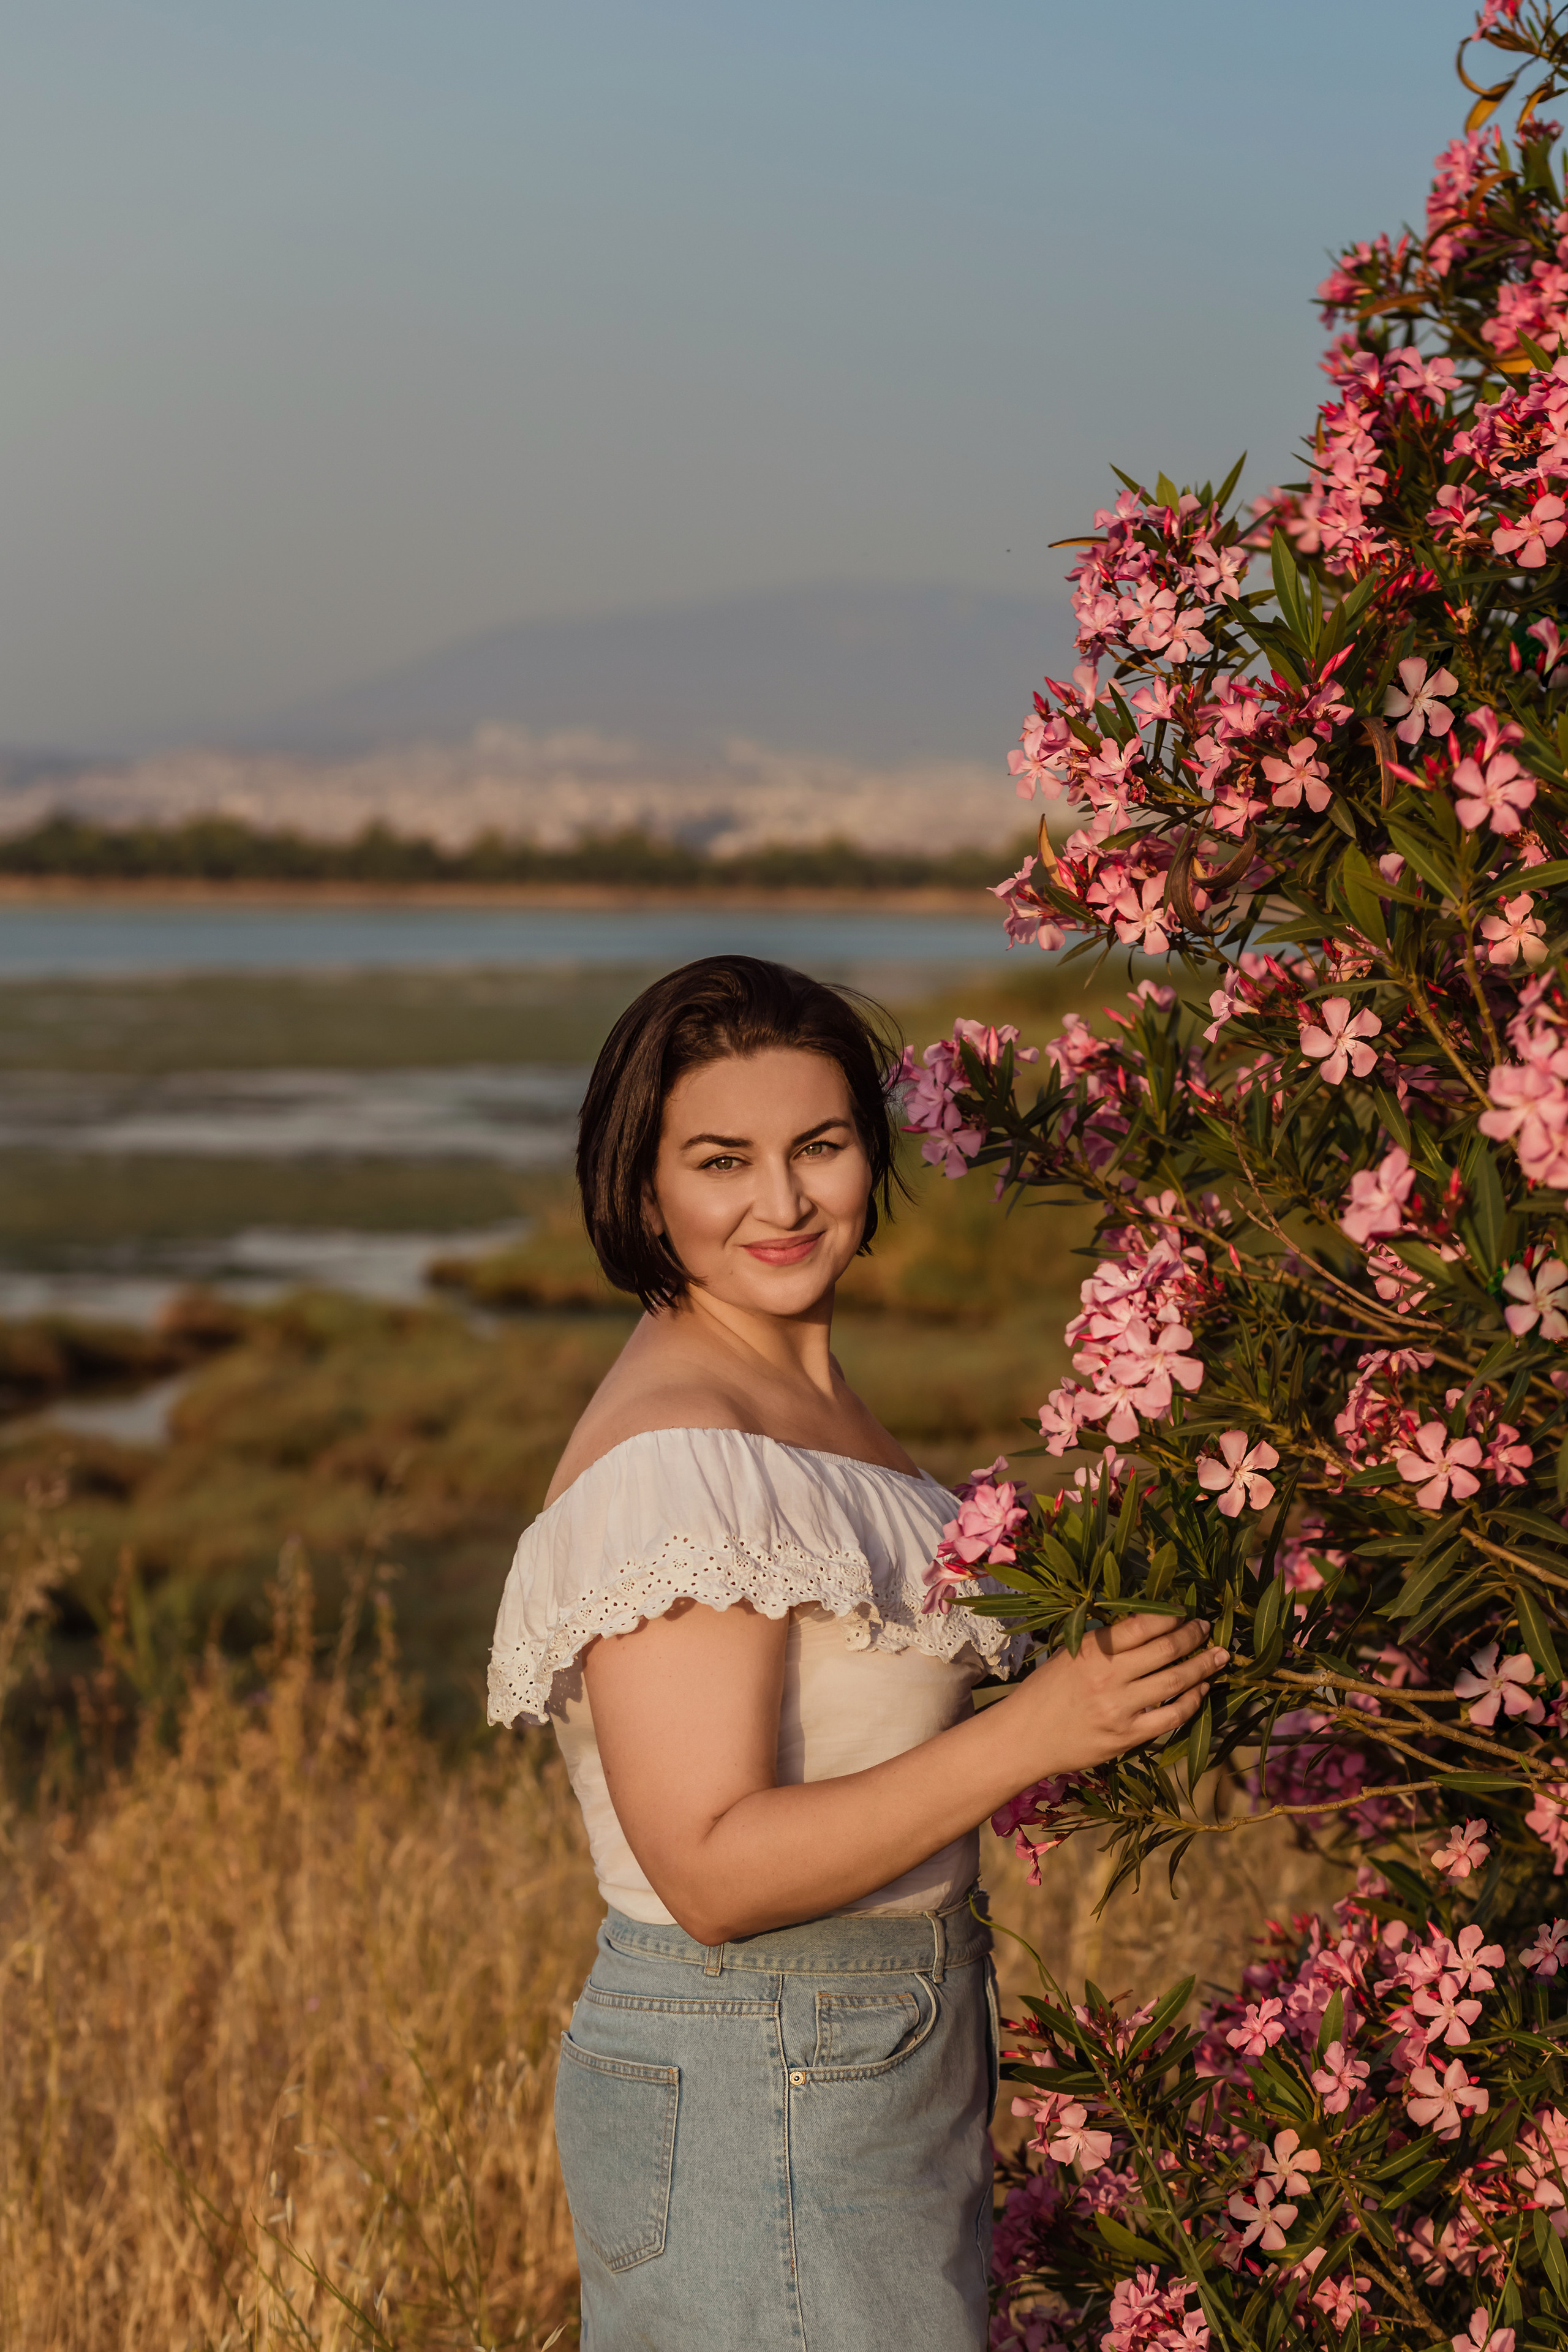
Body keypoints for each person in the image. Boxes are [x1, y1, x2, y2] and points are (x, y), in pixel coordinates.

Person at [488, 955, 1226, 2352]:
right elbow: (709, 1871)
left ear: (870, 1157)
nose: (781, 1203)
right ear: (641, 1189)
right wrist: (1034, 1731)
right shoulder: (685, 1448)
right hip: (768, 2053)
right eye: (721, 1161)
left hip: (855, 2050)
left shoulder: (805, 1404)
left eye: (818, 1147)